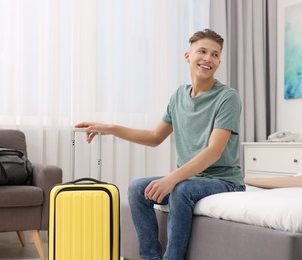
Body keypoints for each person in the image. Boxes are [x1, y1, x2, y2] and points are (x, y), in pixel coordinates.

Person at [75, 28, 245, 260]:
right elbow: (155, 137)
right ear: (188, 56)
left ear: (219, 61)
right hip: (191, 178)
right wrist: (109, 128)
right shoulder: (178, 96)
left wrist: (172, 178)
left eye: (215, 54)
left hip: (224, 181)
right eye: (202, 51)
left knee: (181, 190)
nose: (208, 59)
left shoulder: (228, 97)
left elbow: (214, 152)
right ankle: (149, 257)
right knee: (137, 189)